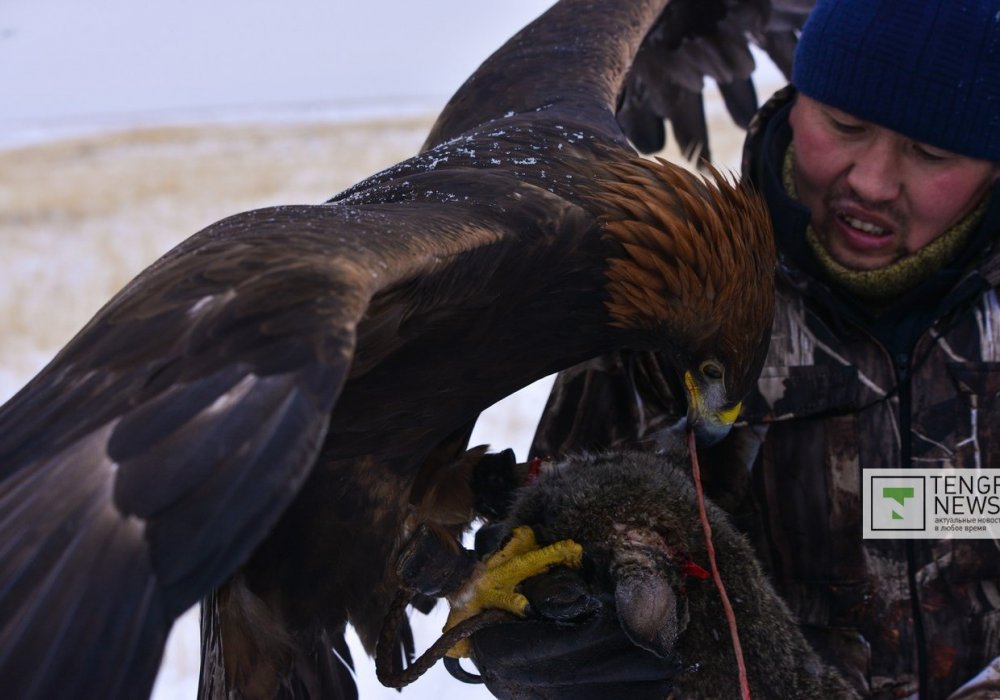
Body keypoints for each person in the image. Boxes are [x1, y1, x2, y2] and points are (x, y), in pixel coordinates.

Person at [469, 0, 1000, 698]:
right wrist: (554, 645)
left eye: (931, 152)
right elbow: (555, 550)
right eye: (844, 125)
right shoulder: (673, 307)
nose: (871, 182)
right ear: (795, 98)